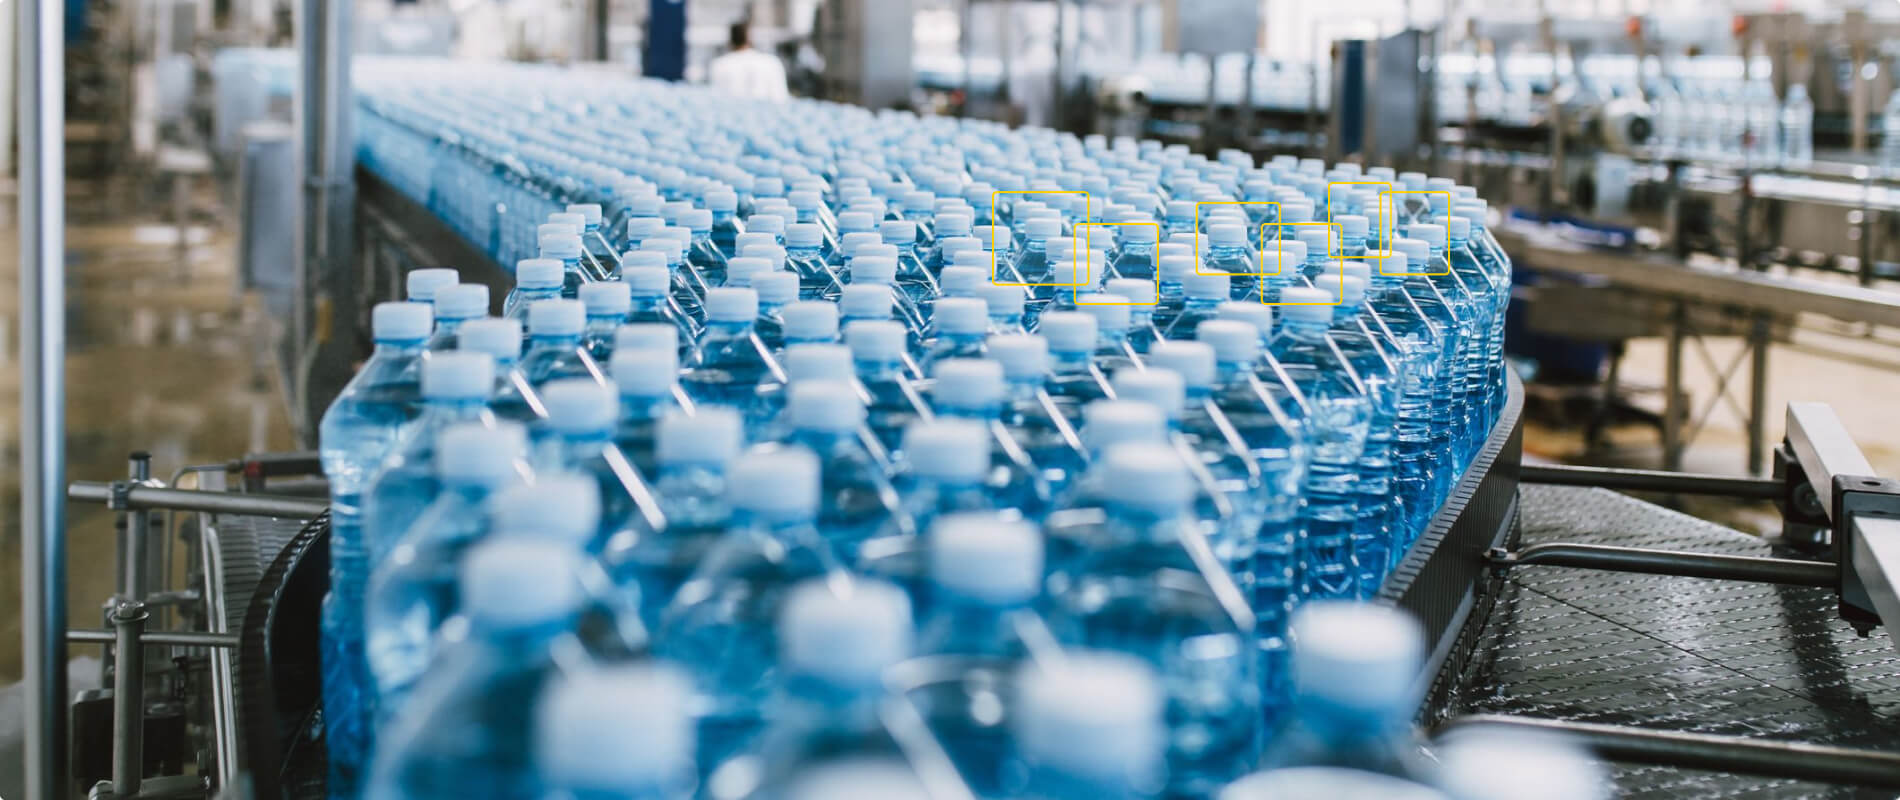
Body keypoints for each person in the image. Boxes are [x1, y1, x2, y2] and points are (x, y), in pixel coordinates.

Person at [708, 22, 789, 101]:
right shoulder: (771, 62)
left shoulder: (719, 65)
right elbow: (781, 97)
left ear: (730, 40)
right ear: (751, 38)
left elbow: (717, 98)